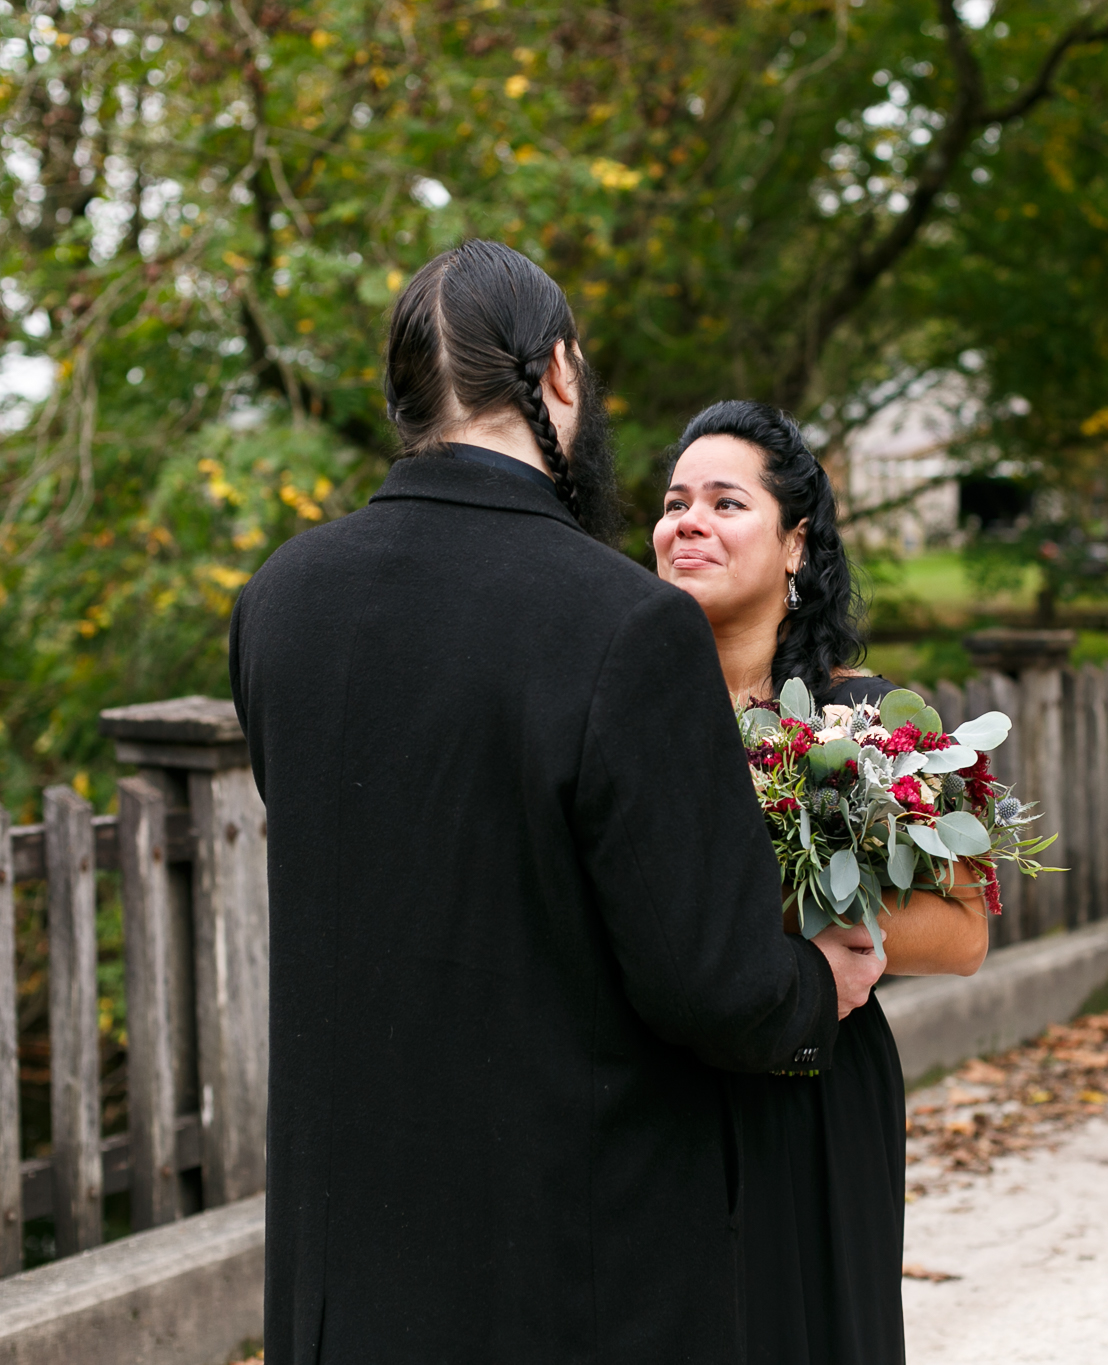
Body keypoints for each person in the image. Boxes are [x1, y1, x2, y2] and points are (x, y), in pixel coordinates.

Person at [228, 241, 886, 1365]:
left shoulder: (280, 602)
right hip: (567, 1274)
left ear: (401, 401)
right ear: (560, 379)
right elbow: (708, 979)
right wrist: (816, 986)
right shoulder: (626, 625)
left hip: (346, 1272)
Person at [653, 400, 992, 1365]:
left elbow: (965, 932)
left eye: (726, 501)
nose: (689, 521)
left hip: (816, 1087)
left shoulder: (869, 717)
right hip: (658, 1088)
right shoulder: (617, 709)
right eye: (676, 501)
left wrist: (805, 913)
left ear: (796, 543)